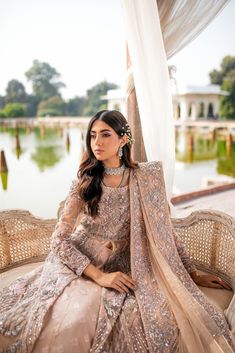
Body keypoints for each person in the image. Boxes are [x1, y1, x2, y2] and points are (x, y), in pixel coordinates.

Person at [0, 109, 234, 353]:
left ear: (123, 139)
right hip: (80, 263)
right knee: (71, 320)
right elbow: (59, 240)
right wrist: (99, 276)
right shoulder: (86, 181)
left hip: (121, 264)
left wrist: (192, 273)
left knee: (156, 316)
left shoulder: (145, 178)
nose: (97, 143)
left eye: (105, 134)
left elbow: (164, 231)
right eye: (92, 136)